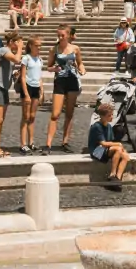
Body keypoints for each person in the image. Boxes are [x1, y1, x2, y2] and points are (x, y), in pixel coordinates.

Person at [44, 24, 85, 155]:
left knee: (69, 113)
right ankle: (48, 144)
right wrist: (54, 69)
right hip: (60, 82)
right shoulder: (54, 49)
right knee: (55, 114)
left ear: (68, 35)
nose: (60, 37)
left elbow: (80, 62)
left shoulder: (75, 48)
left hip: (72, 81)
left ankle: (65, 142)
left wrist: (82, 69)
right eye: (59, 35)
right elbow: (48, 67)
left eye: (63, 35)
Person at [88, 102, 129, 191]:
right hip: (96, 151)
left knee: (125, 156)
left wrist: (121, 149)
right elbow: (103, 143)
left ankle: (117, 179)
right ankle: (112, 174)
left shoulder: (109, 126)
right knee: (118, 149)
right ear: (103, 116)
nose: (112, 117)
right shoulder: (97, 126)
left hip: (105, 150)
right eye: (109, 115)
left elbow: (110, 141)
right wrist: (118, 145)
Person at [18, 36, 44, 154]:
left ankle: (31, 142)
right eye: (37, 45)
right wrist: (26, 94)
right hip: (27, 87)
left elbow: (40, 76)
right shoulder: (26, 58)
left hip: (36, 87)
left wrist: (42, 90)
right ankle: (23, 143)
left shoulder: (40, 59)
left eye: (40, 46)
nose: (39, 48)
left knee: (33, 116)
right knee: (25, 117)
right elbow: (23, 77)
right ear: (30, 46)